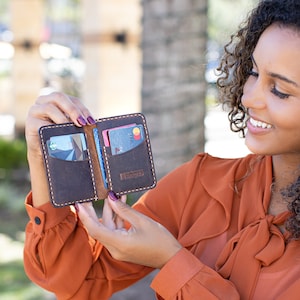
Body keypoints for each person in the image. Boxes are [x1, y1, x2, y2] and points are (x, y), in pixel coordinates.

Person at [24, 0, 300, 299]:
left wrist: (172, 262)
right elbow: (72, 279)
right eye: (254, 72)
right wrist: (40, 157)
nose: (249, 98)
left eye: (280, 91)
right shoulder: (200, 184)